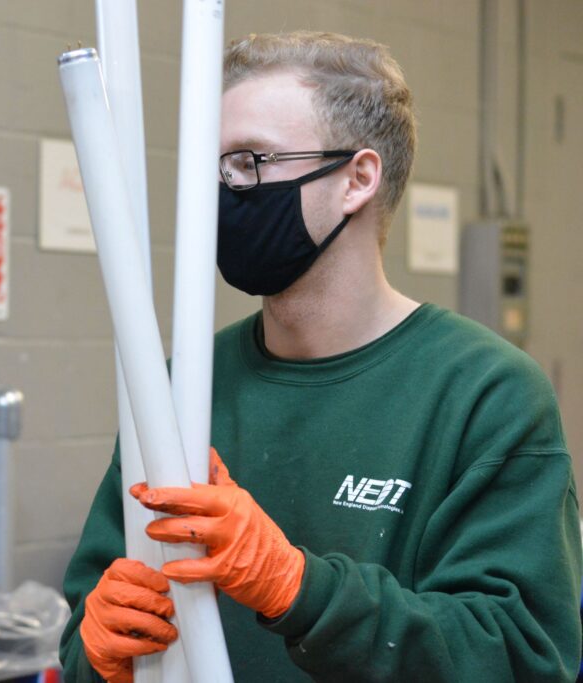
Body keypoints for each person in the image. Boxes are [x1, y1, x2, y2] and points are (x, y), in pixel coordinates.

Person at [59, 31, 583, 682]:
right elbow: (88, 624)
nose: (224, 191)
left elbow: (517, 657)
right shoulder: (177, 387)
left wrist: (297, 587)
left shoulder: (488, 394)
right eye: (213, 168)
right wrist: (98, 650)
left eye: (251, 161)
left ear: (357, 179)